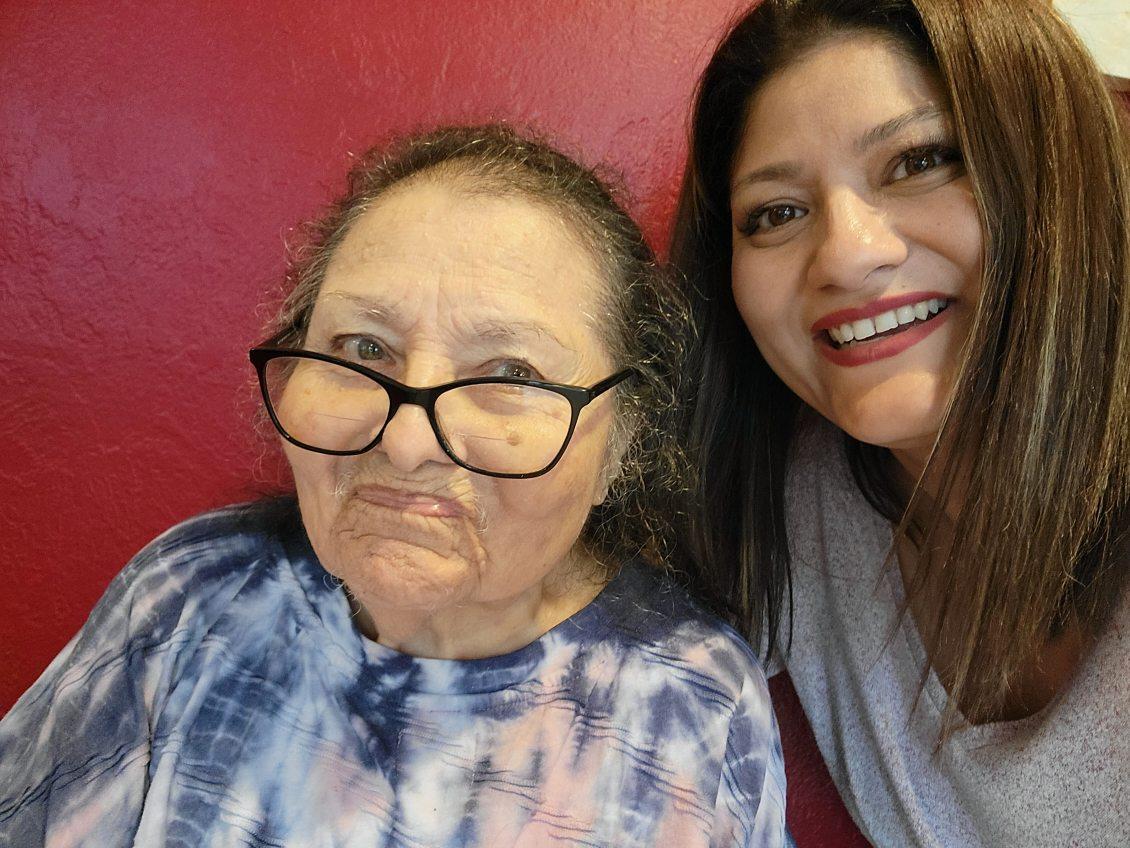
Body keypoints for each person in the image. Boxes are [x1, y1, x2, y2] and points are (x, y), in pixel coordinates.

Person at [0, 125, 788, 848]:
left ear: (623, 442)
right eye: (364, 346)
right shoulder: (186, 604)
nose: (406, 442)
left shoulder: (693, 705)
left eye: (510, 372)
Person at [672, 1, 1129, 845]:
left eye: (919, 160)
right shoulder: (788, 503)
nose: (847, 254)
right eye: (775, 212)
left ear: (1062, 178)